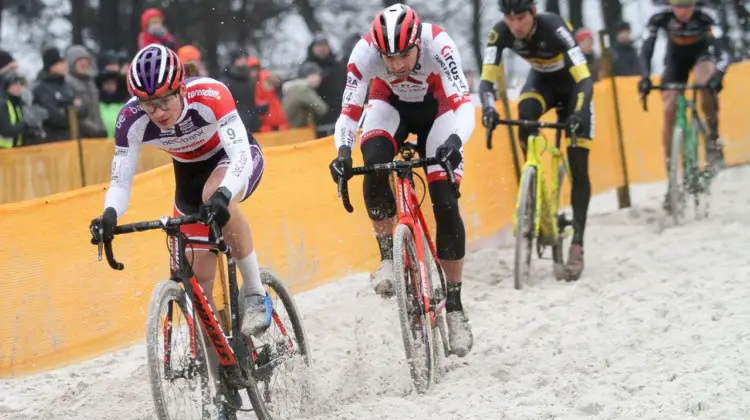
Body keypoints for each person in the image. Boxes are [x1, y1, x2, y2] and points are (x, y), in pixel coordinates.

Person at [89, 45, 271, 339]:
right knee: (199, 286)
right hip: (189, 177)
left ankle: (254, 292)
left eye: (163, 102)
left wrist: (224, 195)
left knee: (214, 195)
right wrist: (110, 213)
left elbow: (240, 155)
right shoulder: (130, 119)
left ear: (181, 89)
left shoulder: (211, 95)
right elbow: (121, 181)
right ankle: (226, 362)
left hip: (233, 160)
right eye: (148, 104)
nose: (157, 112)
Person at [328, 3, 475, 357]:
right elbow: (348, 114)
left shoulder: (437, 42)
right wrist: (343, 153)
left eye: (403, 56)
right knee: (373, 161)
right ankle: (387, 259)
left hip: (438, 112)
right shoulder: (364, 52)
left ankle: (454, 306)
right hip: (390, 107)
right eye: (387, 58)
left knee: (444, 200)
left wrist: (454, 142)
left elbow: (464, 104)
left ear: (416, 44)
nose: (395, 65)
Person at [479, 0, 594, 281]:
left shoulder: (553, 26)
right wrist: (489, 108)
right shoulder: (499, 33)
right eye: (509, 19)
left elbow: (585, 77)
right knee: (525, 116)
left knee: (578, 164)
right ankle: (535, 189)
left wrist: (579, 112)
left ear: (533, 12)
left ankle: (577, 243)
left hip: (573, 90)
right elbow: (486, 81)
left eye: (520, 18)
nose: (515, 25)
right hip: (540, 83)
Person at [638, 0, 730, 211]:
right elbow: (646, 49)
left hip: (702, 57)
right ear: (671, 6)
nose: (684, 12)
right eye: (679, 7)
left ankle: (713, 139)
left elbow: (724, 51)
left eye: (688, 6)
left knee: (705, 84)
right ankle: (671, 177)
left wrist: (719, 75)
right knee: (669, 107)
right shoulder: (660, 16)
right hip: (675, 61)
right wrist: (644, 77)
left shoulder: (705, 14)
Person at [32, 47, 86, 143]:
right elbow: (54, 118)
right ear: (52, 66)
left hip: (74, 139)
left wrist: (65, 109)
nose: (65, 65)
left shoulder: (67, 84)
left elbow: (84, 109)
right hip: (54, 142)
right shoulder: (42, 88)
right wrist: (71, 108)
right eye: (61, 63)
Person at [66, 45, 108, 138]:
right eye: (79, 60)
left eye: (86, 60)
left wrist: (102, 129)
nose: (83, 63)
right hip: (82, 137)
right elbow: (76, 115)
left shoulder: (91, 82)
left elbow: (96, 110)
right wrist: (94, 130)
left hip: (97, 135)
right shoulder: (68, 83)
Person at [282, 61, 328, 128]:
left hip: (288, 128)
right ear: (311, 75)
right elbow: (322, 108)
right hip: (299, 130)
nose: (320, 79)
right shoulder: (304, 89)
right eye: (318, 75)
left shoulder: (293, 87)